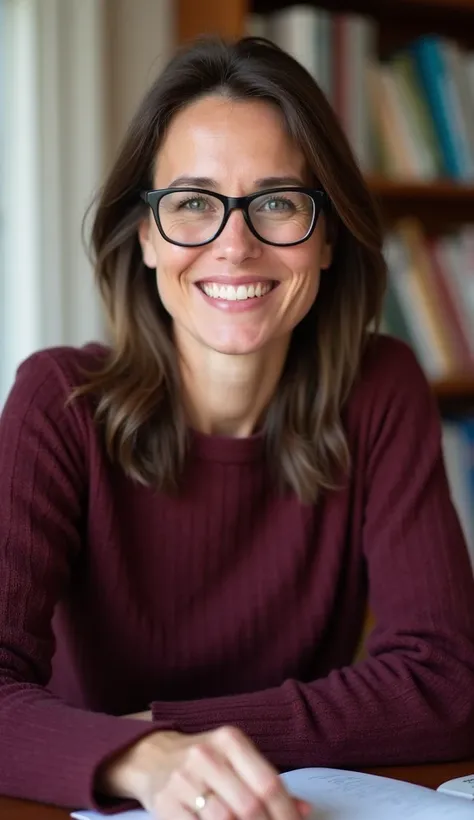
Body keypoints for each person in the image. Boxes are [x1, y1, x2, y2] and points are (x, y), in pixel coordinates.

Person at [1, 33, 474, 819]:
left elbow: (446, 677)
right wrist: (141, 762)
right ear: (147, 235)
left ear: (326, 236)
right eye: (192, 203)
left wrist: (170, 731)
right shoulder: (58, 401)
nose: (235, 243)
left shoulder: (380, 388)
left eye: (278, 202)